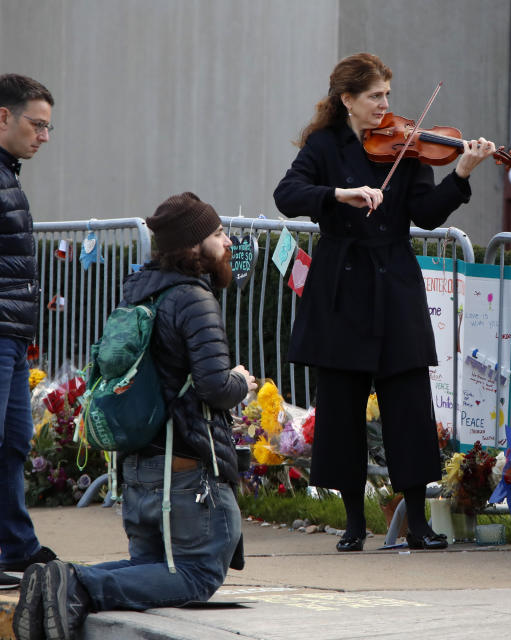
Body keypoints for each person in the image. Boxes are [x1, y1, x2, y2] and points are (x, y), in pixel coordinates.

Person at [273, 52, 497, 552]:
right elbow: (287, 194)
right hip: (341, 284)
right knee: (341, 405)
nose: (386, 106)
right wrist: (339, 194)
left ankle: (417, 522)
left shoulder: (410, 147)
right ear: (347, 99)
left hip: (394, 280)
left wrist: (460, 174)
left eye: (388, 95)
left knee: (409, 403)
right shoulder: (324, 145)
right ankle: (354, 521)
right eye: (375, 96)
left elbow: (426, 215)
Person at [13, 193, 257, 640]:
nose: (227, 244)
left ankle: (57, 577)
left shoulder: (140, 291)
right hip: (183, 474)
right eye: (218, 234)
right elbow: (213, 388)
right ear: (192, 246)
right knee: (197, 575)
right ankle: (78, 581)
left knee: (149, 569)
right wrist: (242, 380)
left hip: (143, 470)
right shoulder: (194, 300)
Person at [0, 74, 58, 588]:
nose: (43, 136)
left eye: (48, 127)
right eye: (36, 125)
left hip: (13, 335)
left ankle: (14, 547)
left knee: (15, 441)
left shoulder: (8, 174)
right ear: (3, 116)